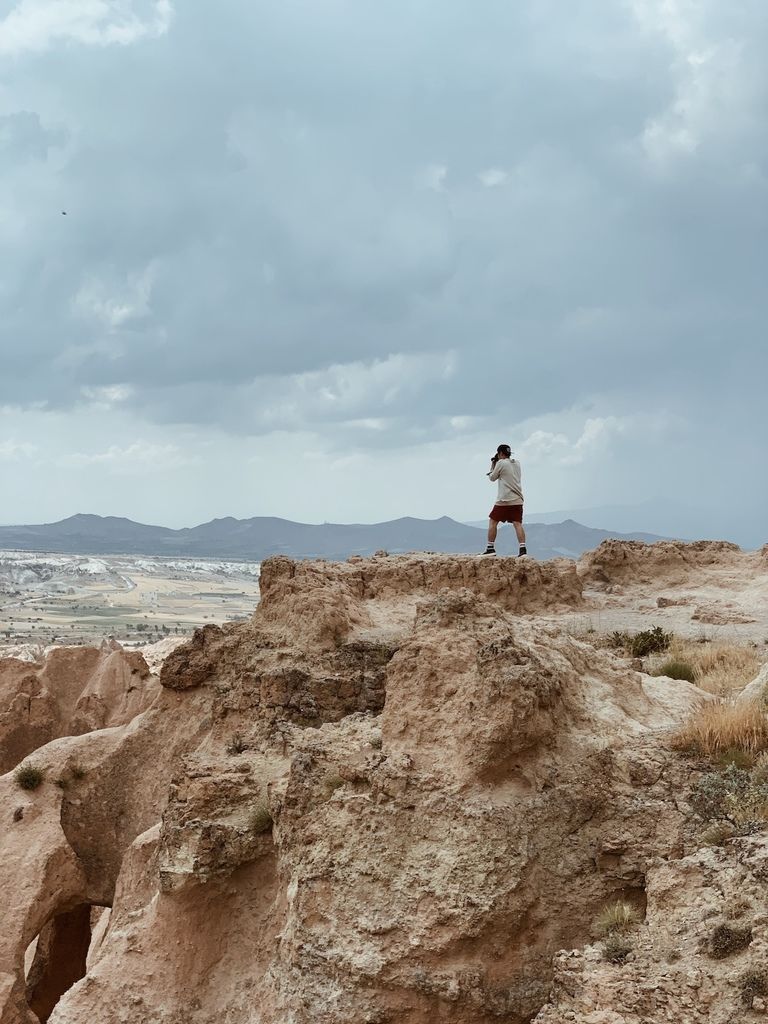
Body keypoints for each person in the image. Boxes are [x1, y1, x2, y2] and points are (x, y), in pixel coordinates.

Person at [483, 444, 526, 556]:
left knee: (493, 521)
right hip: (518, 499)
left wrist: (493, 465)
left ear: (500, 453)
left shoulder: (501, 463)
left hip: (504, 500)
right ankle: (523, 550)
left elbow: (492, 478)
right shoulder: (517, 463)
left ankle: (490, 548)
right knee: (517, 523)